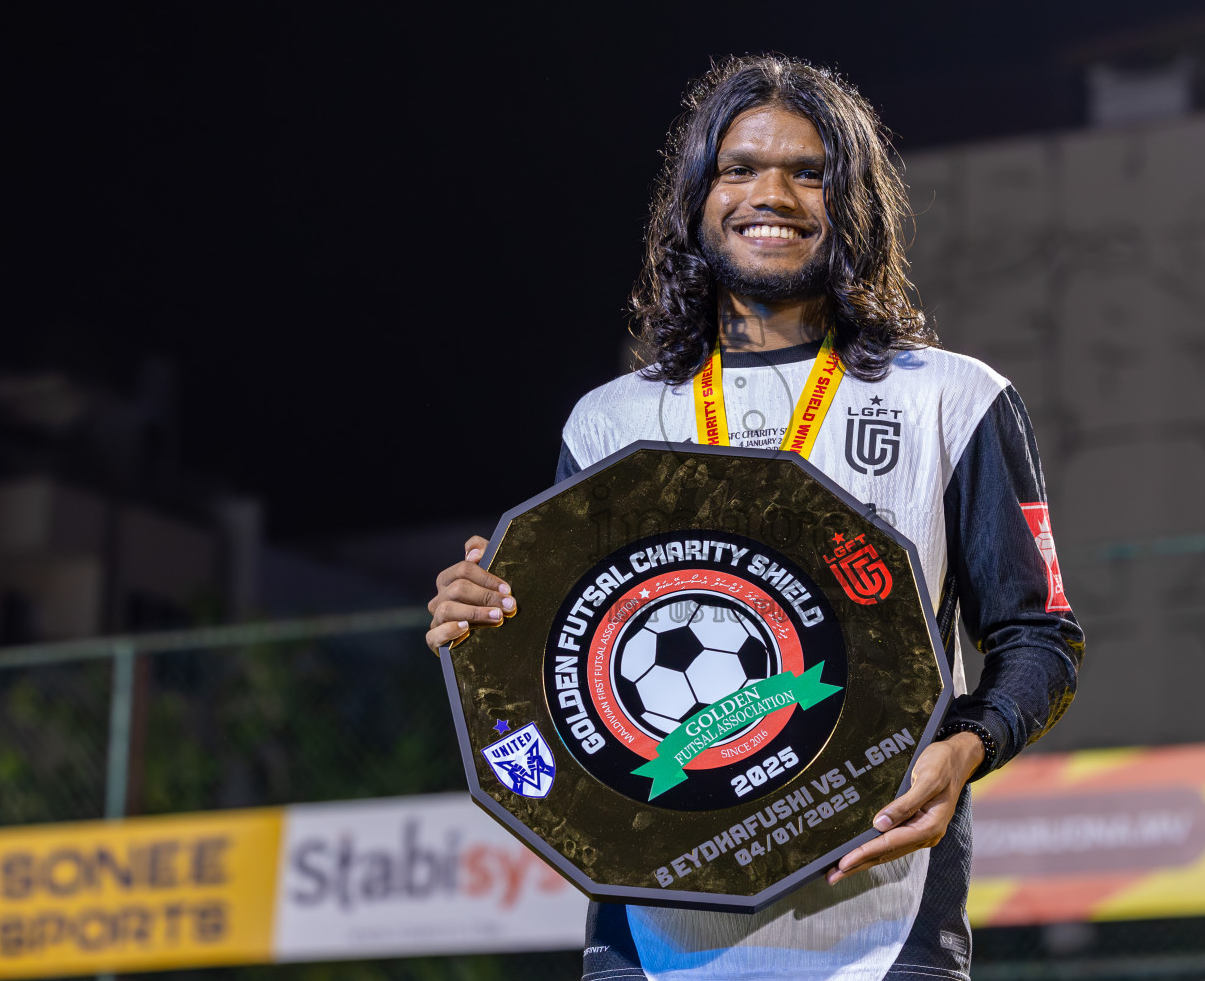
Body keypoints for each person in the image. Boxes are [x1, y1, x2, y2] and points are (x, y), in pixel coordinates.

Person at [426, 54, 1084, 981]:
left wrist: (968, 747)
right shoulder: (609, 420)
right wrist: (485, 619)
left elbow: (1040, 636)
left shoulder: (955, 400)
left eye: (807, 172)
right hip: (650, 942)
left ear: (851, 201)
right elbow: (558, 672)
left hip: (879, 933)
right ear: (696, 198)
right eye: (739, 168)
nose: (769, 194)